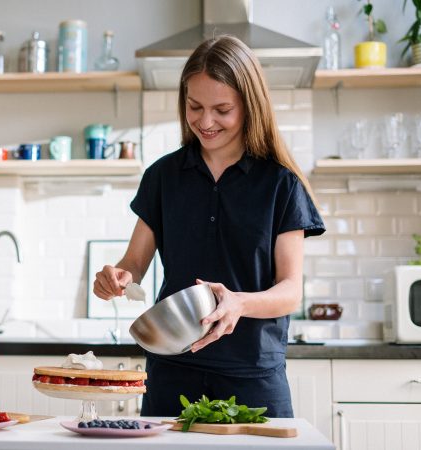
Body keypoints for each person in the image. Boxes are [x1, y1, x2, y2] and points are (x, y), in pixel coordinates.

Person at [93, 35, 325, 418]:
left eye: (222, 109)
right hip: (172, 372)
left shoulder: (280, 184)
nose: (205, 121)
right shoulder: (163, 176)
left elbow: (290, 291)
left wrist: (239, 302)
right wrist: (117, 277)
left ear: (250, 107)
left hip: (253, 377)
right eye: (194, 106)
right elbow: (134, 262)